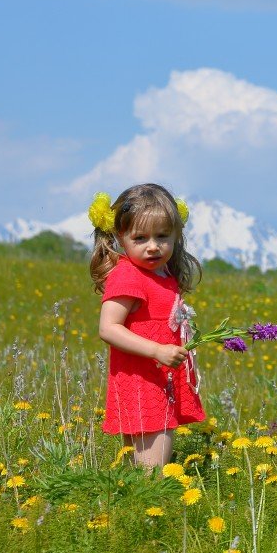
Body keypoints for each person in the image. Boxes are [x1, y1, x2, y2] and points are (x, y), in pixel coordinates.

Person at [89, 183, 205, 469]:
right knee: (153, 473)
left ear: (176, 235)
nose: (153, 246)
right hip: (142, 383)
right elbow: (108, 328)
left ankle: (134, 508)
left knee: (140, 469)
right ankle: (153, 510)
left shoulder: (162, 276)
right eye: (140, 238)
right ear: (121, 236)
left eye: (162, 236)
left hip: (159, 379)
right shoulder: (127, 276)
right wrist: (157, 350)